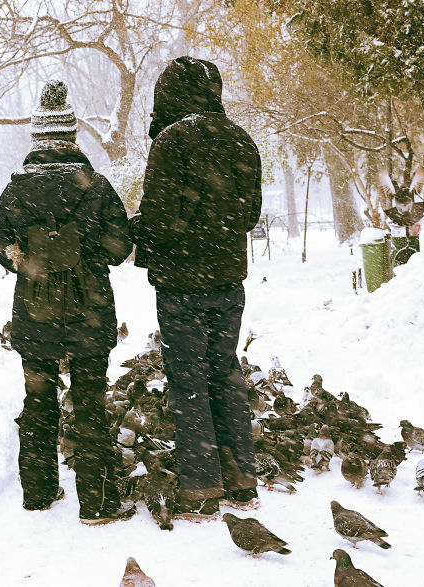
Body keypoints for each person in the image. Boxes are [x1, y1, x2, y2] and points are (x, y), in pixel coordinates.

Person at [0, 79, 135, 525]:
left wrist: (37, 258)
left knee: (37, 403)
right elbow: (120, 247)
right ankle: (96, 502)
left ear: (37, 139)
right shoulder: (97, 188)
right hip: (88, 314)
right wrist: (84, 253)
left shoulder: (14, 192)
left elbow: (3, 254)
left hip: (34, 315)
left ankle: (38, 493)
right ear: (72, 136)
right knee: (90, 404)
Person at [130, 56, 263, 520]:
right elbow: (249, 216)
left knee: (188, 381)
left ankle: (202, 487)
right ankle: (242, 479)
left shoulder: (173, 141)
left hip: (182, 284)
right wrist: (216, 228)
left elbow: (162, 218)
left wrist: (139, 232)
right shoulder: (240, 139)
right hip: (228, 281)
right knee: (225, 374)